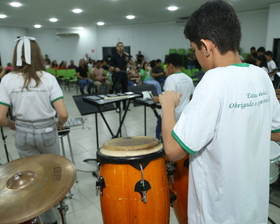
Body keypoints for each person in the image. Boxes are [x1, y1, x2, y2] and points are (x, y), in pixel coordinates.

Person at [159, 1, 280, 224]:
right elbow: (276, 131)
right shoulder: (261, 76)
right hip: (253, 208)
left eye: (195, 51)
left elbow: (174, 151)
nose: (196, 57)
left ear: (205, 46)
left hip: (218, 214)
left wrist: (167, 105)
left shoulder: (213, 81)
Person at [0, 36, 68, 224]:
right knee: (54, 175)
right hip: (47, 131)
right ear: (38, 55)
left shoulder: (7, 79)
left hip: (22, 133)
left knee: (32, 180)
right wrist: (57, 123)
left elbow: (0, 117)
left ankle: (46, 219)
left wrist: (12, 124)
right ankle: (57, 208)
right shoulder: (48, 78)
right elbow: (63, 114)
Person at [152, 53, 194, 140]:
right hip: (183, 116)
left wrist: (157, 99)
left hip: (170, 116)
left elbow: (168, 100)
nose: (166, 69)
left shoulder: (171, 79)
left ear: (170, 65)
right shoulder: (188, 79)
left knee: (161, 139)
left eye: (166, 66)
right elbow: (191, 97)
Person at [109, 42, 134, 112]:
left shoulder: (125, 56)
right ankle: (117, 107)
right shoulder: (114, 56)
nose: (120, 47)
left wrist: (128, 59)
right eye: (119, 46)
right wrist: (114, 69)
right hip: (117, 76)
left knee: (125, 91)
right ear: (116, 48)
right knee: (117, 92)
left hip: (124, 76)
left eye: (121, 46)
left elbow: (133, 64)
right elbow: (110, 67)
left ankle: (124, 106)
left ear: (123, 48)